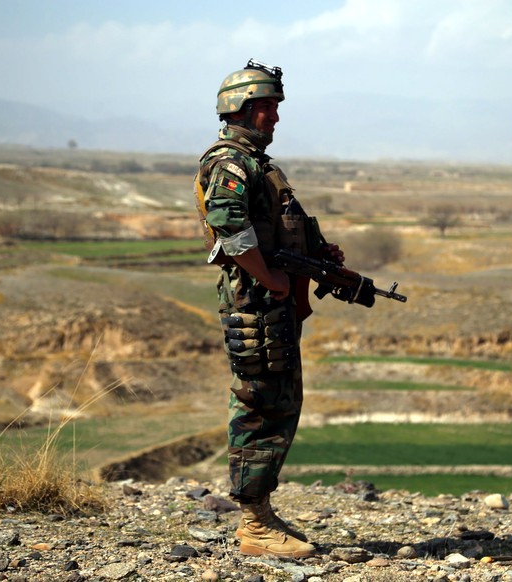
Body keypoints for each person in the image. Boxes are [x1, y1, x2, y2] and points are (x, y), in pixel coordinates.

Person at [193, 59, 343, 558]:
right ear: (241, 108)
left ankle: (261, 511)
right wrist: (272, 278)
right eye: (267, 108)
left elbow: (281, 223)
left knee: (280, 403)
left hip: (271, 304)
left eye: (275, 107)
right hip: (255, 304)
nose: (275, 117)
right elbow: (232, 231)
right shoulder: (230, 163)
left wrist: (319, 254)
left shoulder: (259, 165)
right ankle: (254, 525)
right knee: (261, 405)